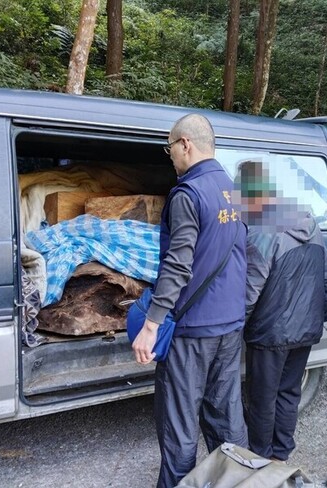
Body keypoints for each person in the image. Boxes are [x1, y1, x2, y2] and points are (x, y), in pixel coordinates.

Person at [131, 113, 248, 488]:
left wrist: (151, 325)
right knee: (227, 418)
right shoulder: (232, 189)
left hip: (193, 330)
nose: (171, 158)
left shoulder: (187, 194)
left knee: (180, 427)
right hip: (229, 325)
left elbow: (178, 265)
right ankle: (237, 482)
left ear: (186, 144)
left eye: (170, 149)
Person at [236, 160, 327, 462]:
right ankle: (282, 453)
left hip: (270, 332)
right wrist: (320, 316)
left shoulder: (263, 230)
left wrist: (236, 325)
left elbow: (250, 290)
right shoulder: (310, 223)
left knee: (262, 398)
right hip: (305, 329)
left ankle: (260, 456)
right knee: (290, 392)